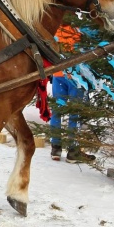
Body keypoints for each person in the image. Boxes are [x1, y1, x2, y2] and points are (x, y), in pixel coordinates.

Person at [49, 25, 95, 163]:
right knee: (75, 112)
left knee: (57, 110)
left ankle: (55, 148)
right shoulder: (81, 30)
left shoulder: (57, 29)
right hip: (76, 76)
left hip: (58, 74)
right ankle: (73, 151)